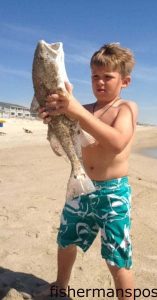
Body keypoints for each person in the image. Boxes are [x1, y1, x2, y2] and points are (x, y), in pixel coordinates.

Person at [37, 43, 138, 300]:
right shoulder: (86, 109)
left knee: (117, 255)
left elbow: (116, 141)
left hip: (112, 193)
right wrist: (54, 114)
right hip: (80, 185)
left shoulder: (125, 108)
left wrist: (75, 110)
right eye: (95, 76)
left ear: (125, 81)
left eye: (108, 77)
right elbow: (67, 136)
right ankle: (61, 285)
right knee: (65, 240)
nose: (100, 82)